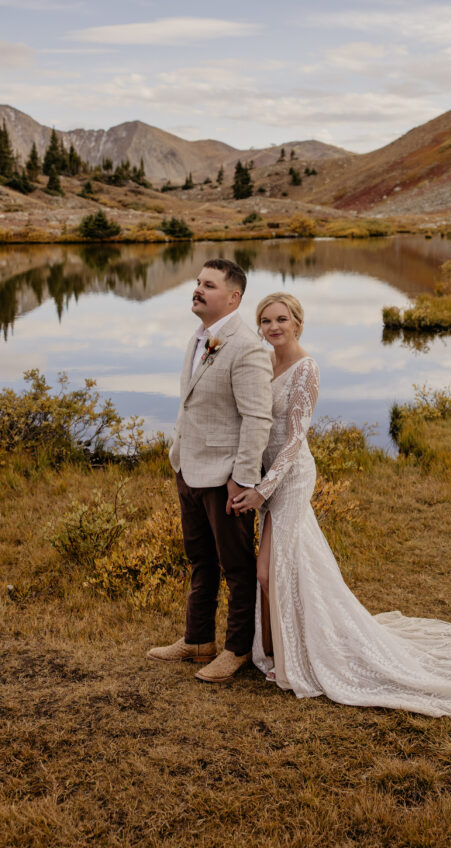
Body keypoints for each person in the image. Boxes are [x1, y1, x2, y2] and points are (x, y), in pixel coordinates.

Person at [230, 293, 451, 722]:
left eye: (281, 319)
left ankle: (292, 658)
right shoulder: (265, 362)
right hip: (265, 478)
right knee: (289, 562)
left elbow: (296, 440)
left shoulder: (306, 368)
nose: (272, 327)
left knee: (267, 568)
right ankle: (277, 648)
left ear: (298, 322)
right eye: (265, 320)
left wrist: (265, 489)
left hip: (291, 478)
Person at [147, 259, 273, 683]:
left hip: (224, 477)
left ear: (233, 297)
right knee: (199, 559)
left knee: (236, 567)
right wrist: (176, 456)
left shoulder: (247, 346)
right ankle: (198, 640)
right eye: (198, 282)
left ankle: (237, 649)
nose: (197, 289)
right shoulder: (200, 337)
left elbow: (257, 418)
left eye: (209, 285)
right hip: (188, 468)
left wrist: (243, 476)